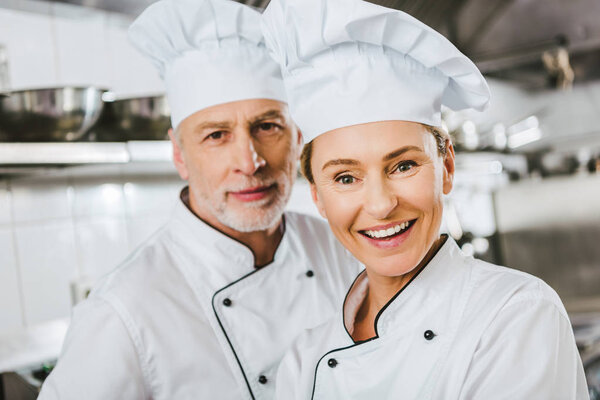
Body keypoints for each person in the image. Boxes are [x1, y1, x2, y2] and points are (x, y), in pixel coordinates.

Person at [261, 0, 589, 398]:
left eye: (402, 166)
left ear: (446, 167)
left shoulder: (515, 314)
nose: (381, 205)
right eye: (346, 177)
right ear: (317, 196)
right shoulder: (304, 359)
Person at [38, 0, 360, 399]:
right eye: (216, 135)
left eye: (267, 126)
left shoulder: (343, 248)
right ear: (179, 154)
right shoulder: (124, 311)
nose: (250, 161)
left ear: (297, 137)